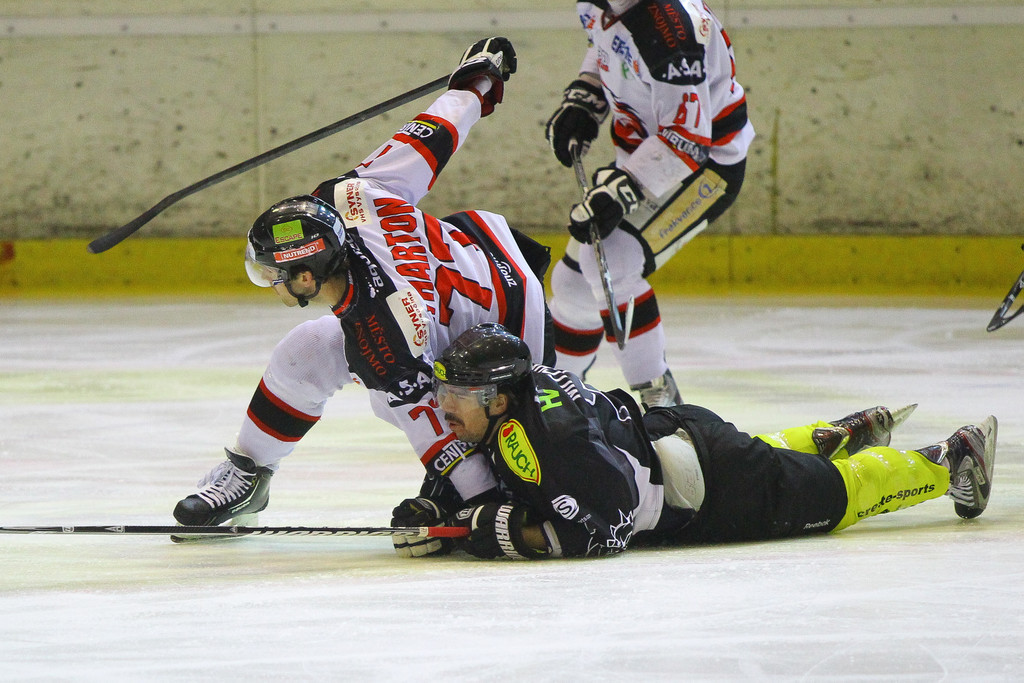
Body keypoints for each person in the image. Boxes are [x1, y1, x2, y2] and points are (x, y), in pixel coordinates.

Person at [172, 38, 555, 551]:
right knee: (309, 348)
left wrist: (480, 502)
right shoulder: (348, 196)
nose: (272, 283)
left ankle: (482, 489)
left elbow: (427, 422)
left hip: (514, 335)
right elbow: (428, 138)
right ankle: (249, 472)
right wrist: (477, 83)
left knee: (467, 437)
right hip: (487, 263)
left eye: (276, 274)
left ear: (306, 278)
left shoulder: (385, 331)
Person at [397, 323, 997, 560]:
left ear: (498, 399)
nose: (443, 407)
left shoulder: (552, 441)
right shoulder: (519, 401)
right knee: (759, 457)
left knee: (841, 496)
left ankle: (949, 461)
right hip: (680, 437)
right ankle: (827, 438)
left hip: (711, 490)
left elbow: (611, 524)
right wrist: (436, 506)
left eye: (457, 394)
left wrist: (506, 536)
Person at [544, 0, 756, 406]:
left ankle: (663, 408)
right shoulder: (602, 3)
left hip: (704, 166)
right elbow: (610, 43)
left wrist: (624, 189)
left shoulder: (671, 29)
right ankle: (554, 397)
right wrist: (588, 92)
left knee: (610, 261)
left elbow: (688, 140)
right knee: (573, 287)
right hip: (650, 153)